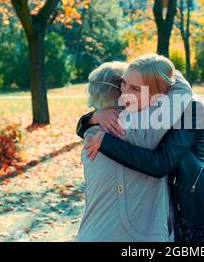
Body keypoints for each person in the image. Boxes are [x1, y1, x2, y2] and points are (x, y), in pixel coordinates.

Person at [77, 55, 194, 242]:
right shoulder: (142, 126)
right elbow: (182, 89)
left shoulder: (90, 133)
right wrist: (147, 69)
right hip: (141, 237)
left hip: (90, 233)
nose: (127, 89)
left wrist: (94, 116)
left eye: (133, 86)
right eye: (125, 83)